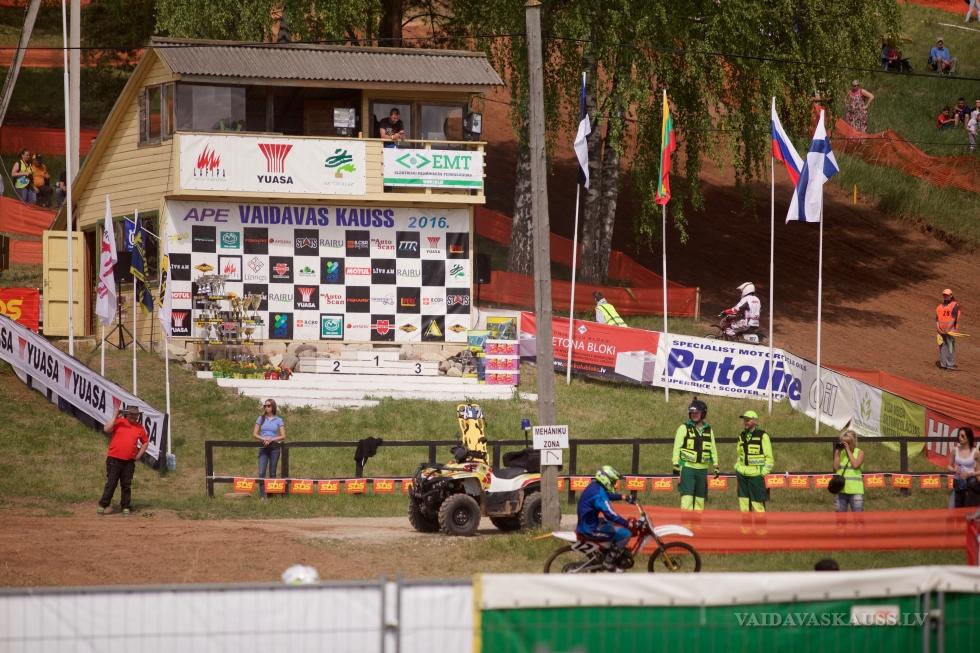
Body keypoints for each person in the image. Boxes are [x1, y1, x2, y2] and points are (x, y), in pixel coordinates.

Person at [575, 465, 638, 571]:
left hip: (589, 522)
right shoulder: (599, 495)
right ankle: (608, 562)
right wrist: (628, 524)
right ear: (606, 479)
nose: (615, 484)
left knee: (614, 526)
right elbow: (611, 514)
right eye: (613, 481)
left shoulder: (595, 486)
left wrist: (623, 497)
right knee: (625, 534)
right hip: (589, 528)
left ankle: (606, 554)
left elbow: (606, 495)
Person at [97, 405, 149, 515]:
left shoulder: (139, 427)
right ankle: (103, 504)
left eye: (136, 415)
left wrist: (139, 455)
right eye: (132, 414)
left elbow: (145, 442)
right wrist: (115, 416)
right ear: (127, 414)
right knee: (111, 483)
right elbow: (106, 429)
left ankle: (125, 506)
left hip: (129, 461)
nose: (134, 417)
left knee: (126, 485)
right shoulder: (119, 421)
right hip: (114, 459)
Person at [672, 398, 719, 511]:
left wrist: (716, 465)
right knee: (687, 498)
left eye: (697, 413)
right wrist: (675, 463)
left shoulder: (709, 430)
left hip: (703, 469)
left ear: (703, 413)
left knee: (700, 500)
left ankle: (698, 522)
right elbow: (677, 447)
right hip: (688, 468)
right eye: (692, 413)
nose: (694, 415)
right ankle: (685, 521)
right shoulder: (683, 428)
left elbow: (713, 448)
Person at [734, 410, 774, 513]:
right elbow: (739, 454)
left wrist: (763, 472)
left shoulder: (763, 436)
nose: (745, 422)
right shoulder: (742, 435)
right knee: (743, 503)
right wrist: (737, 468)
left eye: (748, 420)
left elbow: (769, 457)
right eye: (744, 420)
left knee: (758, 504)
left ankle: (760, 524)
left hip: (756, 475)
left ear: (754, 421)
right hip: (742, 474)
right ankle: (745, 524)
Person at [253, 398, 286, 498]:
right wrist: (264, 438)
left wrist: (271, 439)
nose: (266, 407)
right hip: (263, 447)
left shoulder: (279, 420)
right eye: (265, 406)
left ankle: (271, 494)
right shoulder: (261, 418)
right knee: (261, 472)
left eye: (268, 406)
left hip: (274, 448)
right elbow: (255, 434)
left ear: (273, 407)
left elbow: (283, 436)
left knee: (272, 472)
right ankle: (262, 495)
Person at [833, 430, 864, 513]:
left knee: (858, 517)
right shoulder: (840, 453)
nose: (845, 445)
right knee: (840, 518)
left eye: (848, 443)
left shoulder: (859, 452)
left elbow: (855, 465)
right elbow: (836, 467)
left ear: (853, 442)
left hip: (856, 491)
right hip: (841, 490)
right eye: (843, 442)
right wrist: (837, 452)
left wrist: (848, 450)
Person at [948, 427, 980, 508]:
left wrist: (970, 474)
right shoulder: (955, 450)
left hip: (971, 483)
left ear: (968, 438)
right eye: (959, 435)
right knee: (956, 507)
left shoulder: (976, 452)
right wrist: (954, 469)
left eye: (962, 436)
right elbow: (949, 465)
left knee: (968, 508)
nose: (960, 438)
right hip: (958, 482)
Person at [936, 288, 961, 370]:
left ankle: (950, 365)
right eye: (944, 295)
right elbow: (937, 319)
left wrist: (947, 328)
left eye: (947, 295)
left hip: (950, 330)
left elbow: (953, 318)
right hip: (941, 331)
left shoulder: (954, 305)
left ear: (951, 296)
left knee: (950, 347)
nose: (945, 296)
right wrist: (938, 328)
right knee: (942, 347)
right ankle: (943, 365)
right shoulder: (939, 307)